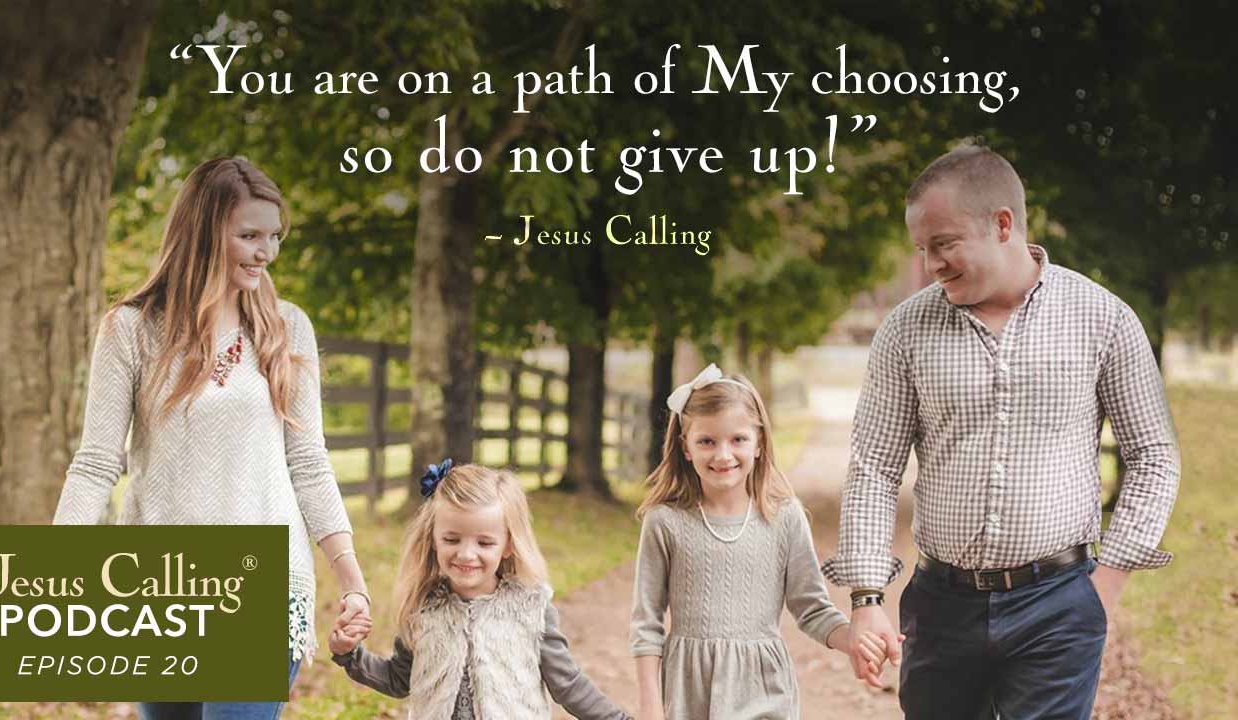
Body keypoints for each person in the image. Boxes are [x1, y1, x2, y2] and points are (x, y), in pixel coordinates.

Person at [822, 145, 1181, 719]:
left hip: (1059, 602)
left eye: (943, 244)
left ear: (1003, 224)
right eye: (922, 248)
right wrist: (866, 600)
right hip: (940, 607)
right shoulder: (904, 331)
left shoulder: (1103, 318)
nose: (932, 263)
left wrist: (1105, 584)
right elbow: (874, 468)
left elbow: (1153, 456)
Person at [53, 157, 371, 719]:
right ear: (202, 232)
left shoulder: (287, 328)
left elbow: (309, 462)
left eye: (273, 236)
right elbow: (97, 462)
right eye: (249, 235)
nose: (266, 252)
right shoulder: (130, 329)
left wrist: (351, 579)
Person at [630, 365, 877, 720]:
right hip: (689, 692)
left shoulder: (784, 517)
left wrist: (851, 638)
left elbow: (812, 608)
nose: (723, 455)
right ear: (685, 447)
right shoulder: (665, 522)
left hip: (764, 687)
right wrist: (651, 706)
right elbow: (646, 623)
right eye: (707, 441)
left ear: (759, 442)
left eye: (738, 439)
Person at [329, 461, 632, 720]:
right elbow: (398, 679)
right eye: (452, 539)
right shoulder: (422, 607)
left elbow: (568, 684)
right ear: (432, 539)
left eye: (484, 543)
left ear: (508, 545)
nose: (466, 554)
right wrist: (350, 656)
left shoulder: (530, 608)